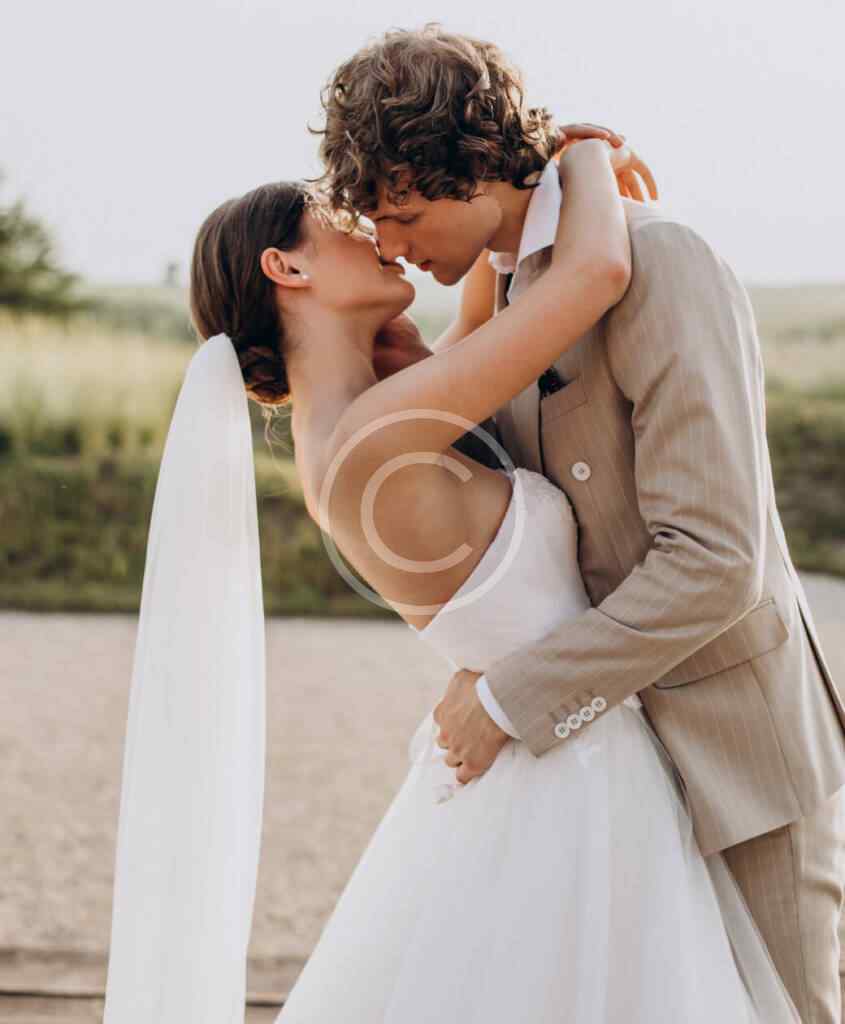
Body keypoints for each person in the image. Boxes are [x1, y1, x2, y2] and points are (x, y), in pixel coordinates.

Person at [102, 128, 800, 1021]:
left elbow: (479, 316)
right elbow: (592, 275)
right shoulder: (373, 436)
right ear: (287, 267)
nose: (377, 235)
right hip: (572, 775)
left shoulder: (363, 414)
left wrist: (498, 187)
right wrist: (584, 154)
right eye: (341, 222)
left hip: (564, 745)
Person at [316, 23, 845, 1024]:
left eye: (404, 213)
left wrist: (509, 694)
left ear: (479, 170)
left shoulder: (661, 261)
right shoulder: (516, 291)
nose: (390, 245)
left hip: (737, 764)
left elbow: (716, 561)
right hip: (599, 774)